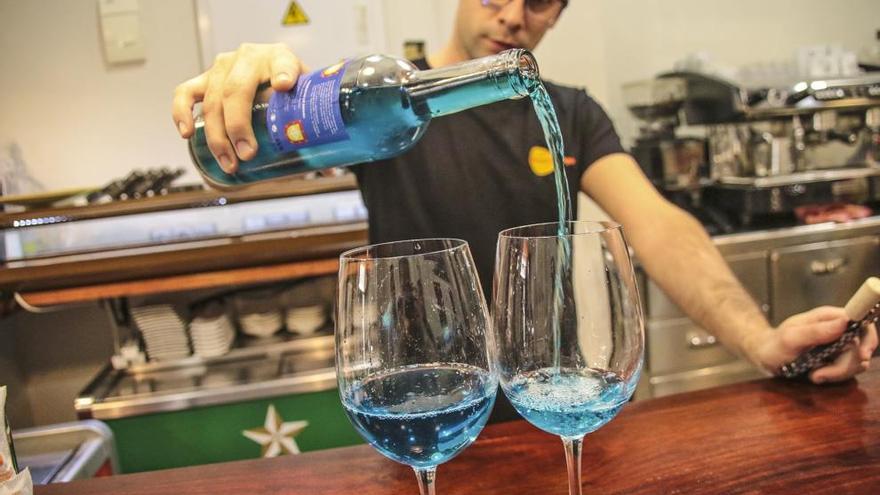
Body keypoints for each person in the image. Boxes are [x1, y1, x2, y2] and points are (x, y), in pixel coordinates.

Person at [172, 0, 876, 390]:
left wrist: (761, 338)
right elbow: (227, 165)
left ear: (555, 17)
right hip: (424, 403)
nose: (512, 14)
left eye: (537, 2)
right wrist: (251, 94)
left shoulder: (569, 111)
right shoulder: (379, 103)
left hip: (549, 399)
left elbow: (659, 226)